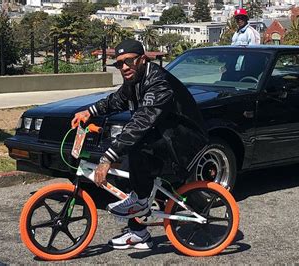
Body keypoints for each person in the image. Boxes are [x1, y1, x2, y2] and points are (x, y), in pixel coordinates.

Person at [71, 39, 208, 250]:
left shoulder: (158, 83)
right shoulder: (135, 79)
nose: (124, 67)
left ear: (142, 59)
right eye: (119, 64)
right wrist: (89, 112)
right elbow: (116, 100)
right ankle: (138, 232)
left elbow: (143, 120)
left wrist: (108, 157)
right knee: (126, 167)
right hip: (163, 135)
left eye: (129, 61)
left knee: (135, 147)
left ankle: (142, 203)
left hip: (183, 141)